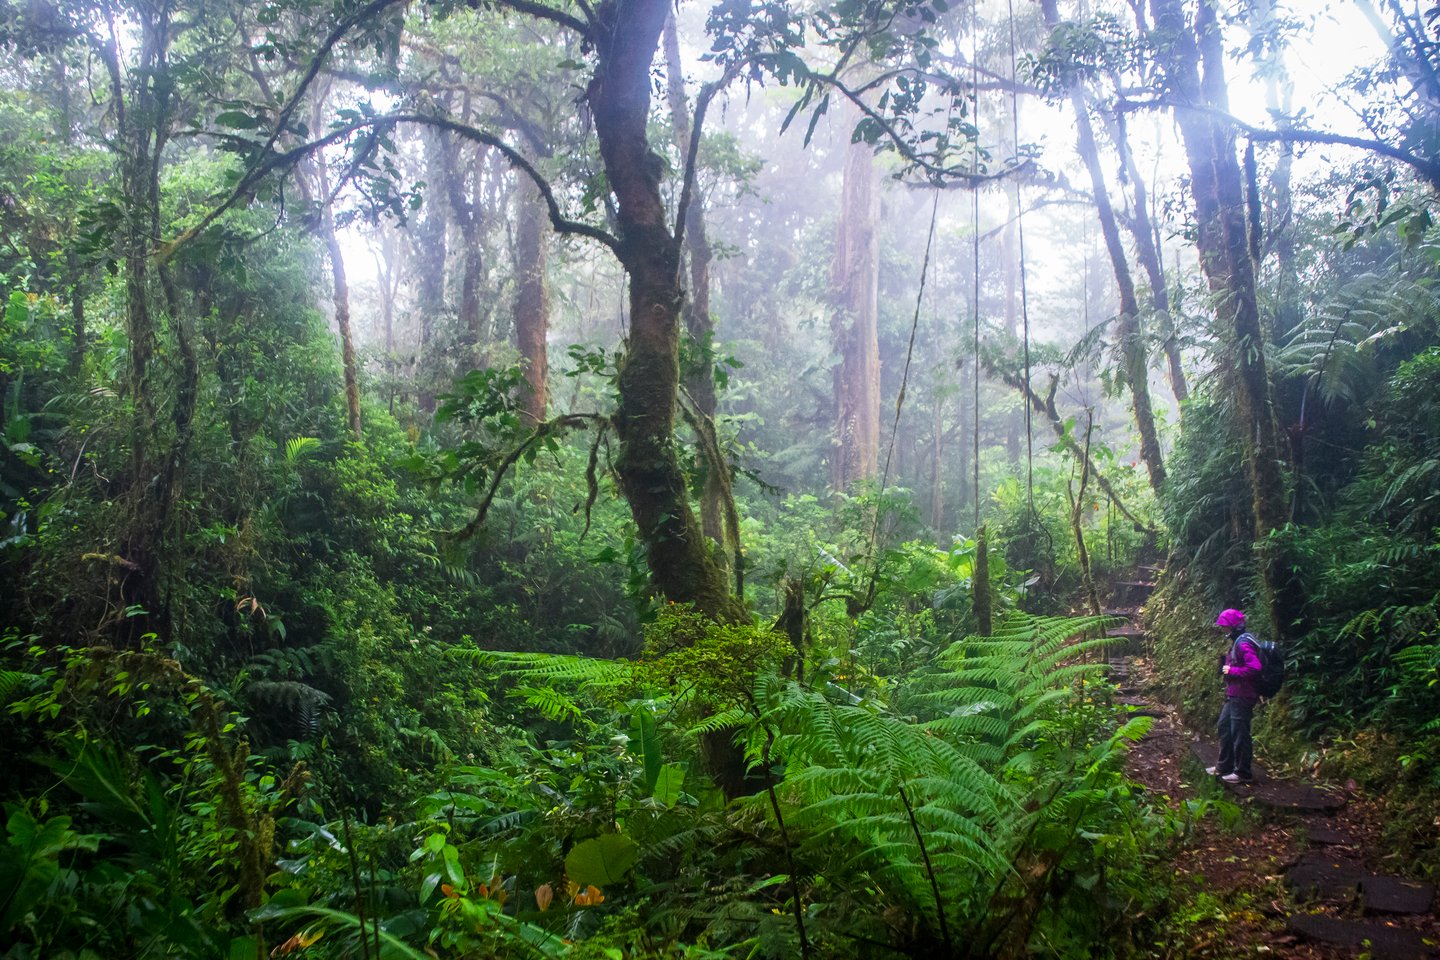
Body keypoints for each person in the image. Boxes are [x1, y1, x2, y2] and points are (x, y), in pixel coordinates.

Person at [1205, 608, 1262, 784]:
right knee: (1224, 726)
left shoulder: (1243, 643)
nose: (1223, 630)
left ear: (1233, 627)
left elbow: (1255, 668)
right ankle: (1224, 765)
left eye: (1225, 627)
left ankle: (1243, 772)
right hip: (1234, 694)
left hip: (1244, 695)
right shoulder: (1239, 640)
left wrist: (1232, 670)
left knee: (1240, 732)